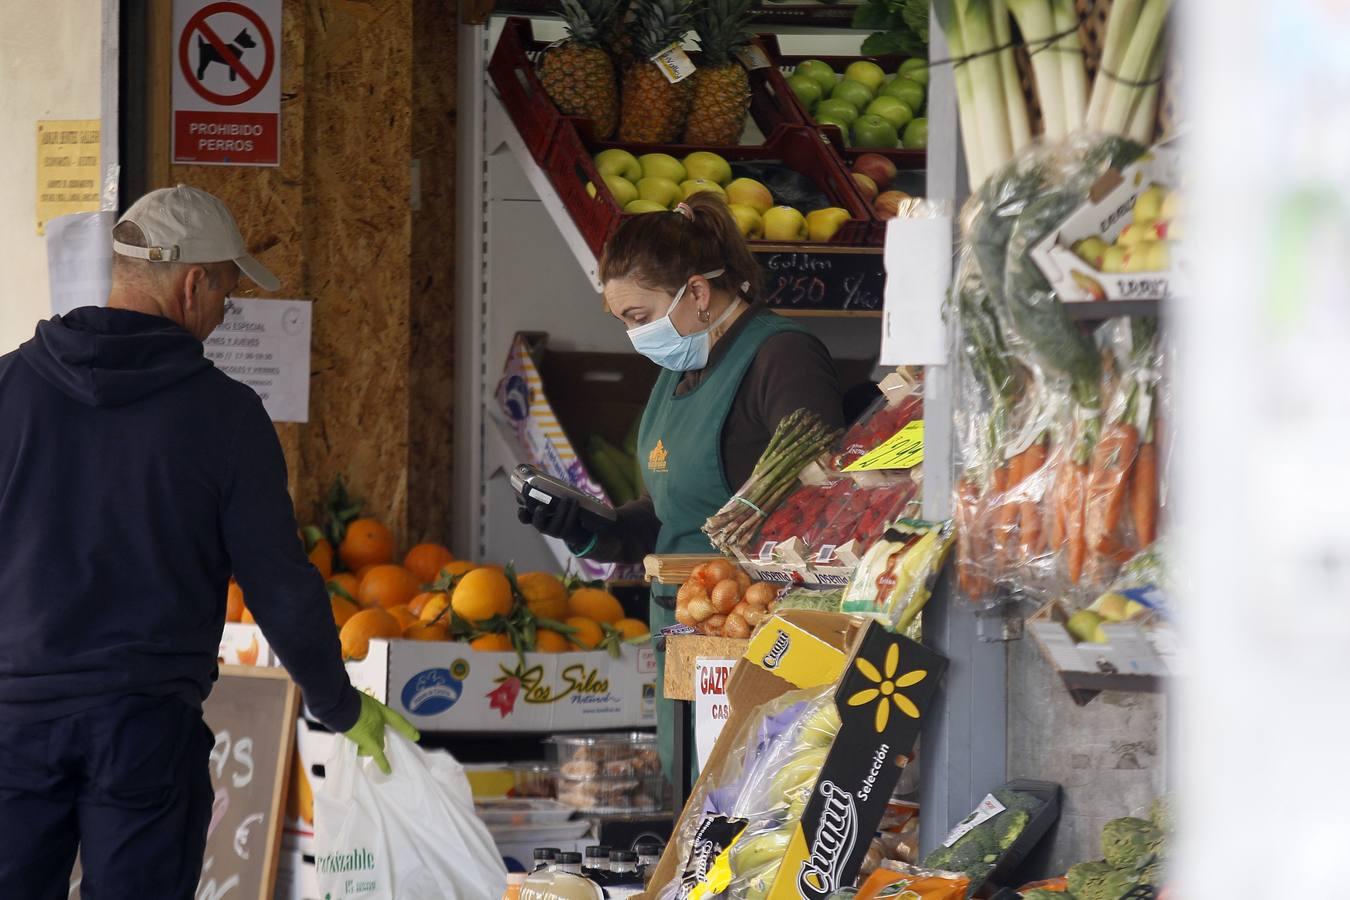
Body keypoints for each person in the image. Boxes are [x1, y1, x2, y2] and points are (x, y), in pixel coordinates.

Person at [0, 185, 416, 898]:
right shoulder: (224, 416)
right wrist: (336, 701)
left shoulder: (9, 387)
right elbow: (278, 582)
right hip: (143, 731)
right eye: (228, 289)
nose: (227, 309)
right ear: (194, 284)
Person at [518, 192, 844, 785]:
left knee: (747, 806)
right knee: (692, 814)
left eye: (639, 318)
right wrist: (591, 527)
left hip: (759, 644)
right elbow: (671, 516)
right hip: (685, 638)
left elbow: (829, 507)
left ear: (696, 293)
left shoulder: (781, 356)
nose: (632, 337)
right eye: (622, 322)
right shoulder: (677, 372)